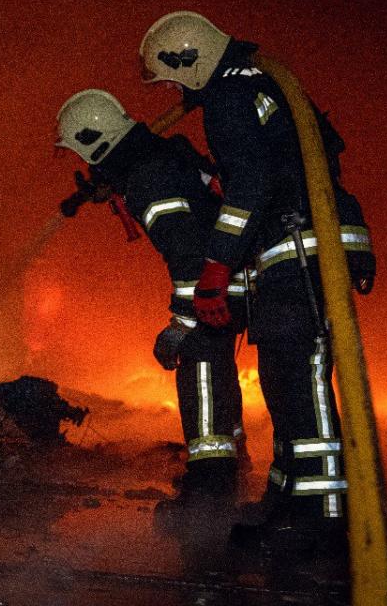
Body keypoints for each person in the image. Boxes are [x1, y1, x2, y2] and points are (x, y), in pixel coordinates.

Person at [139, 11, 376, 551]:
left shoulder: (227, 96)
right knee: (282, 379)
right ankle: (288, 501)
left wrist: (218, 266)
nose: (174, 89)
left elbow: (250, 185)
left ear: (190, 59)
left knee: (300, 380)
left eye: (172, 77)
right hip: (294, 248)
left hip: (299, 247)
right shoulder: (256, 86)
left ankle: (323, 517)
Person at [55, 89, 249, 513]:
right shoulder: (157, 158)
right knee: (216, 372)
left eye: (83, 154)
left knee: (198, 368)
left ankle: (210, 491)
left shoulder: (148, 177)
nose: (85, 165)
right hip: (240, 276)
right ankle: (232, 468)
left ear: (96, 144)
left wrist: (181, 324)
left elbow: (188, 253)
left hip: (216, 285)